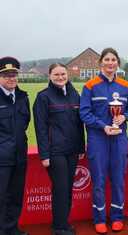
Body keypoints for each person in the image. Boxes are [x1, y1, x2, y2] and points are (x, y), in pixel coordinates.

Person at [80, 48, 128, 234]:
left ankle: (117, 217)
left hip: (119, 138)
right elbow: (84, 113)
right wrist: (103, 126)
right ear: (100, 63)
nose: (110, 63)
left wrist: (124, 117)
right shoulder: (90, 86)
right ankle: (99, 218)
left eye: (113, 59)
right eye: (107, 59)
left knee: (119, 179)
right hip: (98, 139)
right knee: (99, 181)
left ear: (118, 63)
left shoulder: (125, 86)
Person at [33, 63, 85, 235]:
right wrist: (44, 154)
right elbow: (40, 128)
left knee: (68, 188)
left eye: (63, 74)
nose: (60, 77)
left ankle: (64, 222)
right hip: (55, 152)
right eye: (56, 74)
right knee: (61, 189)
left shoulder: (74, 94)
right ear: (49, 76)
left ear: (68, 74)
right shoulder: (43, 97)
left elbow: (79, 124)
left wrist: (80, 146)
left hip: (72, 150)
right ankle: (58, 227)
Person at [0, 57, 30, 235]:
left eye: (13, 75)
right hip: (2, 158)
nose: (11, 78)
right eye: (6, 75)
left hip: (19, 156)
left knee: (16, 196)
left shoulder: (22, 97)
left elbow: (25, 123)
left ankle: (11, 229)